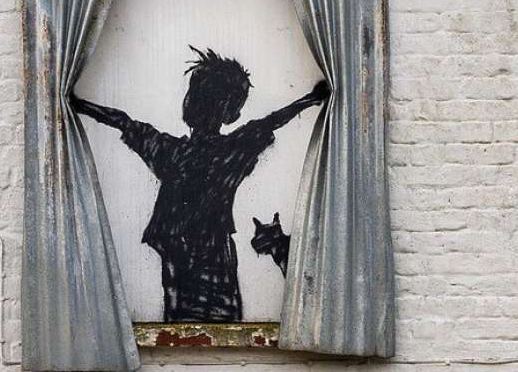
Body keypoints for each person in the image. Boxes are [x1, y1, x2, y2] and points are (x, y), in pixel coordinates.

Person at [71, 46, 329, 322]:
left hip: (182, 258)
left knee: (181, 318)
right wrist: (310, 100)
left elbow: (124, 122)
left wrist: (79, 105)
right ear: (230, 110)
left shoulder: (171, 151)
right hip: (213, 256)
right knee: (216, 321)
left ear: (192, 102)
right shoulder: (230, 150)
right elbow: (270, 122)